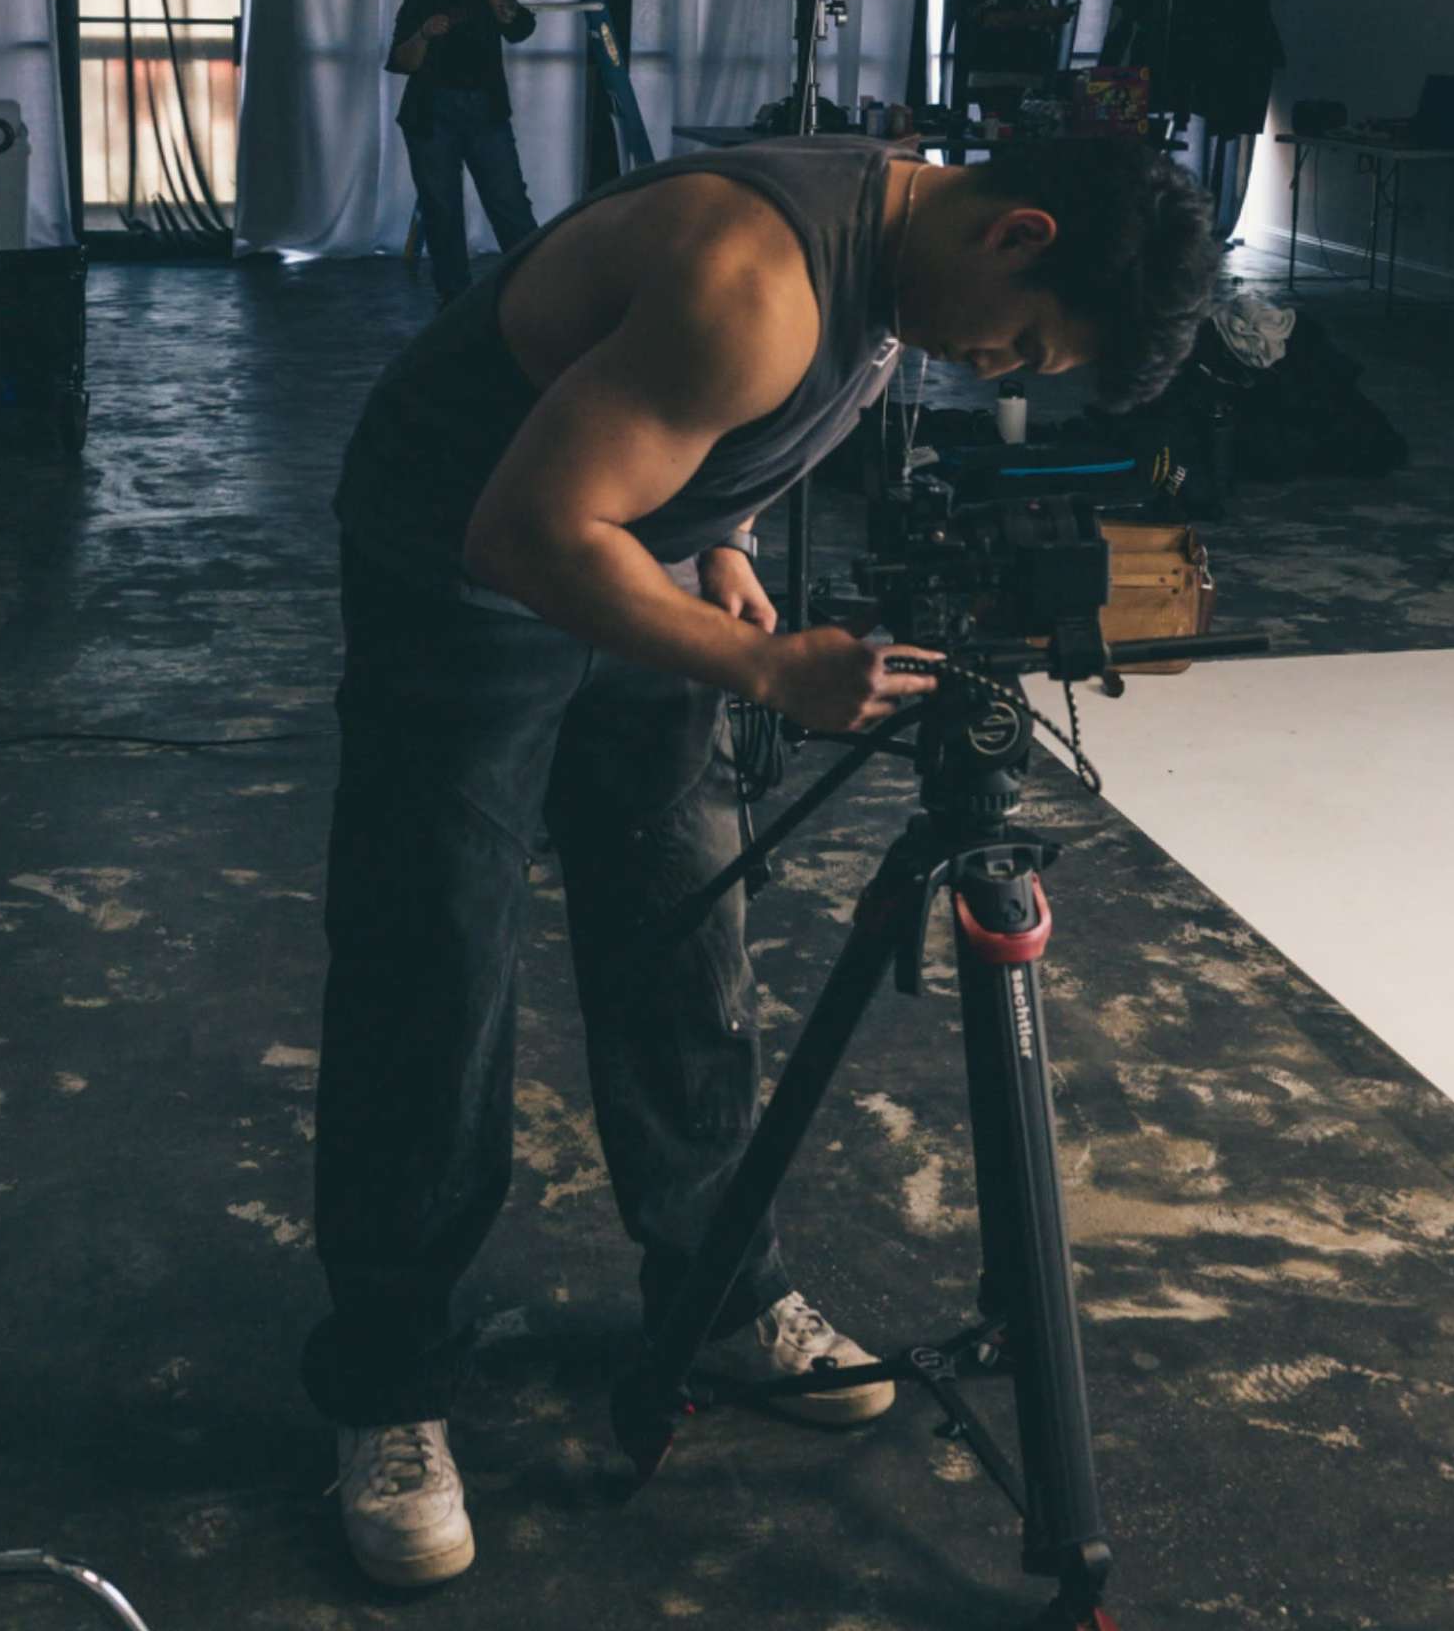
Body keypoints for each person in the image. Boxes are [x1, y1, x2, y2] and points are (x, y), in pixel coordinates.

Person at [313, 129, 1222, 1589]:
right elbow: (526, 526)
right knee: (437, 962)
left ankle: (720, 1294)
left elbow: (686, 423)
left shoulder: (898, 235)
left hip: (630, 541)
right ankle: (386, 1383)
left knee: (686, 926)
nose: (999, 371)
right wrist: (765, 669)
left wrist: (724, 528)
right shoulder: (760, 283)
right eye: (1026, 342)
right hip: (468, 559)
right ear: (1018, 233)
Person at [388, 0, 539, 303]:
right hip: (430, 115)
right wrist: (423, 34)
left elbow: (520, 28)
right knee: (442, 209)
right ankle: (454, 297)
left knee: (509, 202)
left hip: (484, 113)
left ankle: (535, 286)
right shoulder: (417, 3)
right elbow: (402, 63)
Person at [958, 0, 1072, 123]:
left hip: (1028, 82)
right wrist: (1045, 17)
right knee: (1005, 143)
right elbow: (991, 20)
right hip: (997, 80)